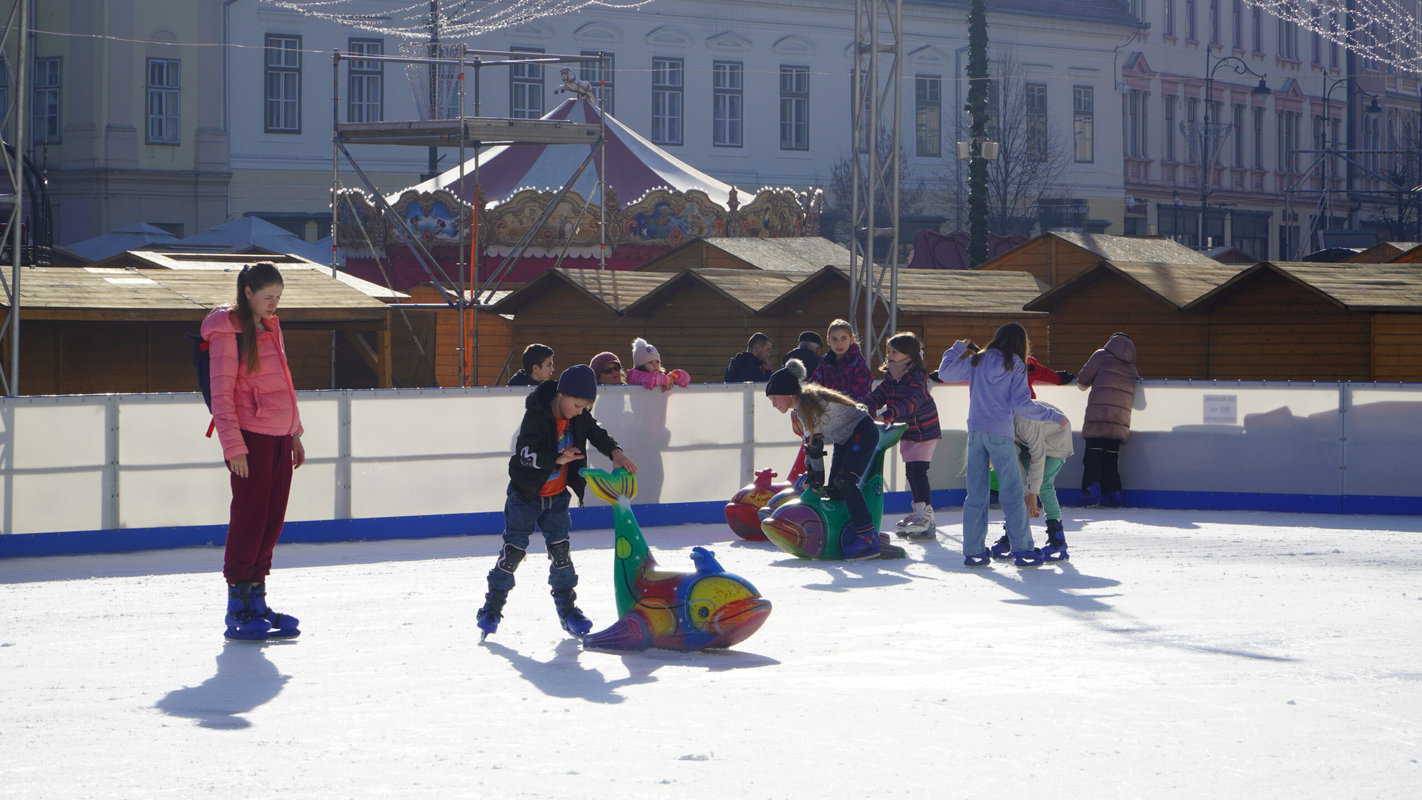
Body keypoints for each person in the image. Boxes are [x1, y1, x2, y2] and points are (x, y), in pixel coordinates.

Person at [477, 364, 638, 640]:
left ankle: (568, 611)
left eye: (584, 407)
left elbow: (596, 432)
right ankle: (491, 608)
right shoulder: (536, 416)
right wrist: (557, 459)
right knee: (513, 551)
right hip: (525, 496)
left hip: (556, 498)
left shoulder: (579, 417)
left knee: (561, 555)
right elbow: (525, 454)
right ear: (562, 395)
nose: (579, 412)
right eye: (576, 405)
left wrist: (616, 452)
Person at [202, 262, 306, 641]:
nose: (274, 304)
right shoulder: (227, 332)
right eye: (268, 297)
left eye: (278, 297)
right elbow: (222, 394)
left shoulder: (270, 327)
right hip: (251, 438)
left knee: (271, 520)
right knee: (249, 519)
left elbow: (283, 385)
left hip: (279, 437)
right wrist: (234, 447)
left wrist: (294, 433)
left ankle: (258, 599)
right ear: (248, 293)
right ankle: (238, 603)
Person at [936, 323, 1068, 568]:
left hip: (976, 433)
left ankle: (974, 551)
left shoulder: (978, 360)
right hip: (1000, 434)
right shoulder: (1015, 364)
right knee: (1013, 494)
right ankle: (1024, 549)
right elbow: (1022, 404)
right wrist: (1052, 415)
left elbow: (945, 373)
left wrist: (956, 348)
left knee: (975, 494)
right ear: (1021, 343)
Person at [764, 359, 906, 560]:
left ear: (788, 394)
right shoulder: (801, 408)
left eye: (774, 398)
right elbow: (812, 449)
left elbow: (815, 448)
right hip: (846, 438)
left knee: (845, 482)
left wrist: (814, 480)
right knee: (835, 490)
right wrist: (815, 480)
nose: (773, 404)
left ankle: (866, 536)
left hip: (862, 433)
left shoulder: (809, 406)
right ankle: (853, 528)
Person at [865, 332, 941, 540]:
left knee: (917, 471)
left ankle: (925, 515)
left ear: (909, 355)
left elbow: (912, 402)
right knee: (912, 472)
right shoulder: (893, 375)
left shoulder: (916, 377)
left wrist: (890, 414)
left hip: (924, 430)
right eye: (888, 351)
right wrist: (866, 405)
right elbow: (880, 394)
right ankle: (920, 512)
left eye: (895, 352)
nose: (890, 355)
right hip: (908, 430)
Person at [990, 399, 1075, 561]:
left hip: (1057, 440)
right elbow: (1013, 461)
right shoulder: (997, 426)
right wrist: (1024, 489)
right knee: (1019, 485)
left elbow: (1039, 455)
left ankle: (1057, 538)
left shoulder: (1025, 420)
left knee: (1044, 485)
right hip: (1028, 442)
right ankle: (1012, 535)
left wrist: (1032, 493)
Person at [1077, 332, 1139, 507]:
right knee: (1111, 460)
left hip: (1098, 416)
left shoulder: (1101, 355)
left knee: (1092, 458)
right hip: (1119, 420)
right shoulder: (1131, 366)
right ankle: (1114, 495)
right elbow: (1140, 402)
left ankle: (1091, 494)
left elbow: (1082, 381)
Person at [810, 319, 872, 403]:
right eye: (834, 339)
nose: (839, 343)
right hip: (828, 411)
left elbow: (862, 395)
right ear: (828, 340)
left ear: (851, 339)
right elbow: (813, 386)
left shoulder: (858, 364)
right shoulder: (824, 363)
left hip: (854, 413)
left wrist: (834, 400)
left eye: (843, 338)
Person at [626, 337, 690, 391]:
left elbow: (685, 380)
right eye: (650, 362)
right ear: (641, 365)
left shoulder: (661, 375)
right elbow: (649, 380)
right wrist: (667, 380)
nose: (655, 365)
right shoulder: (635, 375)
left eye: (657, 362)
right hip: (641, 405)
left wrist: (674, 376)